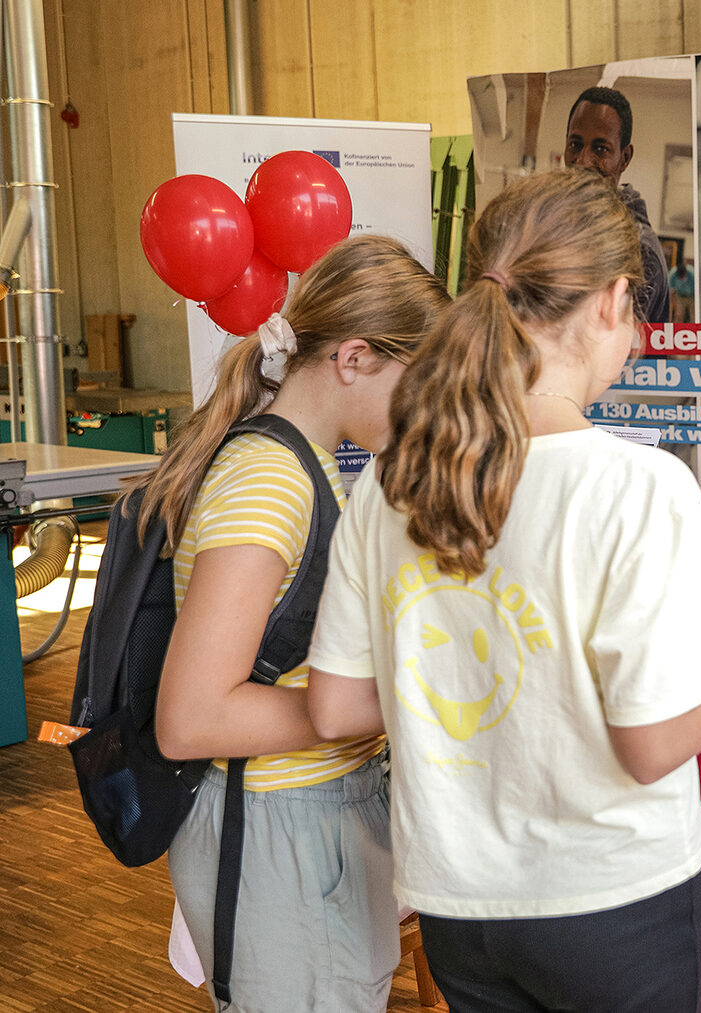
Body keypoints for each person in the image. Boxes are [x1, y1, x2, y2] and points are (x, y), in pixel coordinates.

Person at [304, 169, 701, 1012]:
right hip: (613, 903)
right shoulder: (638, 485)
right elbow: (649, 743)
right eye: (636, 312)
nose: (636, 337)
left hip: (458, 904)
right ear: (610, 301)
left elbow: (338, 706)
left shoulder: (394, 483)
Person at [147, 235, 450, 1011]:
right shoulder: (272, 479)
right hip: (281, 829)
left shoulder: (308, 465)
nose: (430, 410)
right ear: (352, 358)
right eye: (421, 382)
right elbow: (190, 717)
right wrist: (379, 704)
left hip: (310, 820)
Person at [564, 85, 670, 323]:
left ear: (624, 158)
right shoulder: (574, 227)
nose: (582, 160)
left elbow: (606, 349)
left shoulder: (637, 250)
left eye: (600, 149)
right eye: (575, 144)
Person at [669, 258, 694, 323]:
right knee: (678, 315)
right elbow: (670, 291)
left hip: (692, 296)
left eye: (683, 277)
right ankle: (677, 329)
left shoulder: (692, 274)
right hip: (680, 295)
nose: (683, 280)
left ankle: (695, 329)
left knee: (693, 315)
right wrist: (673, 303)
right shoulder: (672, 274)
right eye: (681, 278)